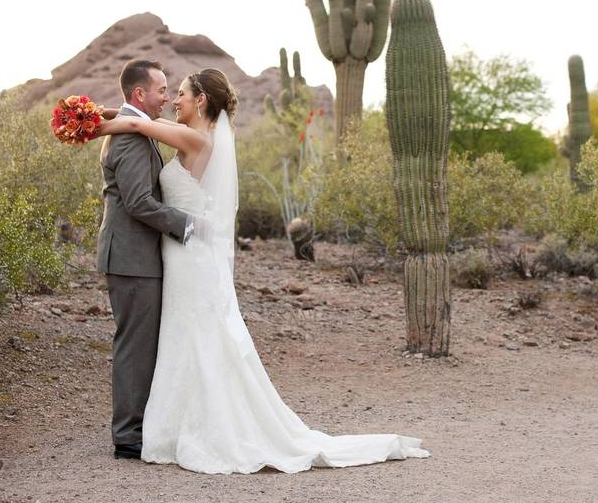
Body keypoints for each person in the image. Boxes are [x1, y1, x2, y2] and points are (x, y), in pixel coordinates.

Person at [94, 68, 430, 474]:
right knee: (182, 338)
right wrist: (100, 112)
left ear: (200, 100)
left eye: (178, 92)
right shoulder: (188, 133)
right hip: (176, 254)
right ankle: (168, 423)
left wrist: (89, 125)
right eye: (166, 91)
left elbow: (135, 122)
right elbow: (138, 122)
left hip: (187, 252)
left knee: (193, 336)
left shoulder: (195, 137)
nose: (172, 99)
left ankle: (186, 425)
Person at [96, 59, 195, 461]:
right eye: (161, 90)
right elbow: (138, 202)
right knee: (135, 345)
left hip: (133, 254)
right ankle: (128, 436)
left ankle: (137, 426)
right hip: (132, 256)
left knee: (139, 342)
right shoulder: (131, 137)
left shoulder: (132, 126)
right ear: (140, 94)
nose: (167, 97)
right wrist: (190, 227)